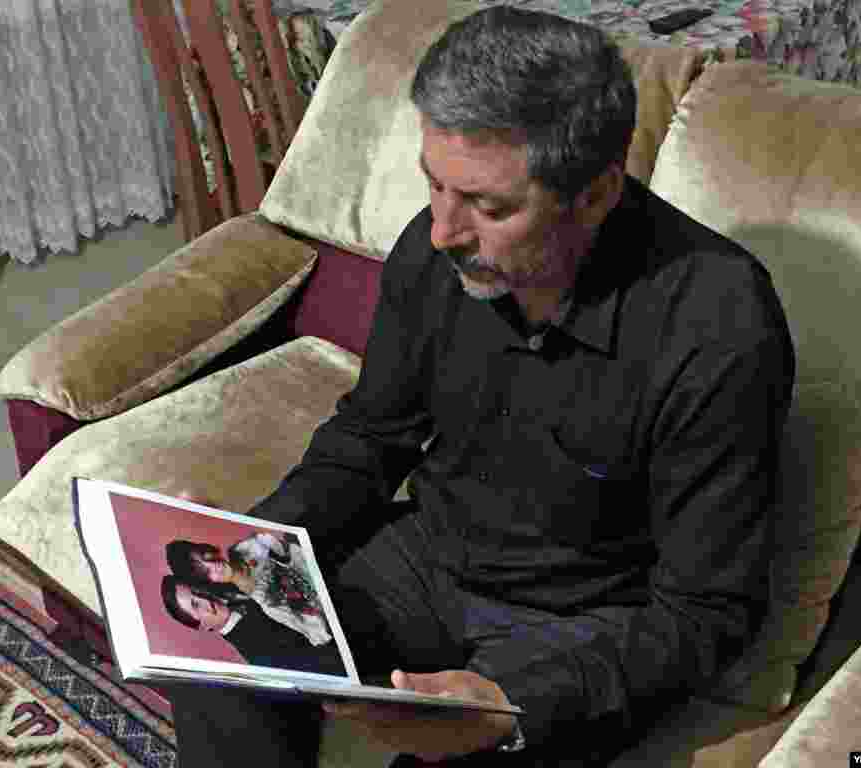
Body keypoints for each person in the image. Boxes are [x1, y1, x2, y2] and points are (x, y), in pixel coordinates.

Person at [166, 6, 795, 766]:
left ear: (596, 194)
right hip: (430, 558)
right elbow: (372, 437)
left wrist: (517, 706)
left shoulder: (720, 323)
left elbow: (705, 612)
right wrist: (256, 540)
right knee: (213, 660)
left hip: (589, 615)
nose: (443, 231)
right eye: (435, 186)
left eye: (491, 207)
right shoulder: (435, 253)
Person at [159, 574, 346, 676]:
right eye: (195, 605)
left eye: (196, 592)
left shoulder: (238, 593)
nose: (204, 600)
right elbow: (332, 665)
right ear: (201, 626)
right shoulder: (258, 652)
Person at [166, 533, 333, 646]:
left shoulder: (246, 549)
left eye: (206, 557)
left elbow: (288, 548)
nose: (214, 566)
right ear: (206, 583)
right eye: (206, 571)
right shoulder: (259, 606)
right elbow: (315, 631)